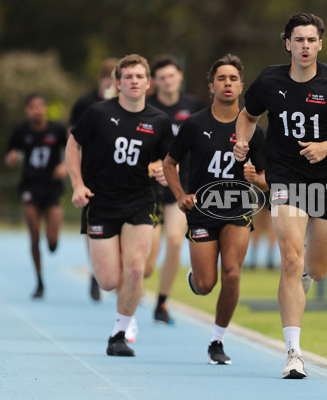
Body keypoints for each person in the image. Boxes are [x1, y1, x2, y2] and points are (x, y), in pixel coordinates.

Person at [233, 13, 327, 379]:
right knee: (290, 259)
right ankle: (294, 352)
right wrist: (242, 142)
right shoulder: (269, 80)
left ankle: (305, 276)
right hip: (286, 178)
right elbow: (247, 116)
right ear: (287, 44)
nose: (305, 46)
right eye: (299, 40)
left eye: (312, 40)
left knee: (317, 270)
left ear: (320, 44)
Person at [66, 54, 173, 357]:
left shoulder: (159, 121)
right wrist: (77, 185)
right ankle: (123, 313)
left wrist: (162, 171)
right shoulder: (98, 113)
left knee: (136, 268)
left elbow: (166, 160)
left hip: (140, 201)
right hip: (101, 203)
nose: (134, 81)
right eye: (128, 77)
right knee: (110, 280)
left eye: (139, 76)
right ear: (117, 84)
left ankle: (119, 333)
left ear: (148, 83)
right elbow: (73, 144)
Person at [164, 53, 266, 365]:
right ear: (211, 85)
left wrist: (255, 178)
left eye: (233, 79)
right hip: (202, 211)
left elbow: (267, 180)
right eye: (221, 78)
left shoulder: (253, 129)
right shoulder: (194, 124)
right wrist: (181, 194)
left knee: (232, 274)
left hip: (237, 209)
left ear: (241, 86)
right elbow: (170, 164)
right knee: (207, 285)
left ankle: (217, 341)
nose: (227, 83)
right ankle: (196, 277)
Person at [145, 54, 202, 325]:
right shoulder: (146, 107)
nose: (167, 81)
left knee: (176, 240)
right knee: (146, 263)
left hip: (182, 184)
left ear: (180, 76)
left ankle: (162, 303)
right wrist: (153, 166)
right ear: (154, 82)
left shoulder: (193, 106)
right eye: (161, 78)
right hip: (150, 186)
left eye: (171, 75)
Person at [5, 93, 67, 299]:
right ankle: (40, 280)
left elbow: (72, 151)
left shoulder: (56, 130)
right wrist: (12, 158)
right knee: (34, 235)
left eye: (40, 106)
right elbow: (9, 156)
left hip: (52, 187)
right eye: (32, 107)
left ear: (46, 108)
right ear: (27, 110)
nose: (36, 110)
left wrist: (64, 165)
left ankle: (52, 240)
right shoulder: (20, 131)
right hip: (30, 187)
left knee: (52, 239)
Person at [69, 57, 118, 302]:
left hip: (121, 177)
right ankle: (94, 272)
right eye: (109, 78)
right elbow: (72, 139)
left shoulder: (128, 104)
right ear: (102, 79)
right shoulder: (87, 104)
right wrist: (76, 178)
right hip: (91, 175)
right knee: (93, 230)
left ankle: (118, 274)